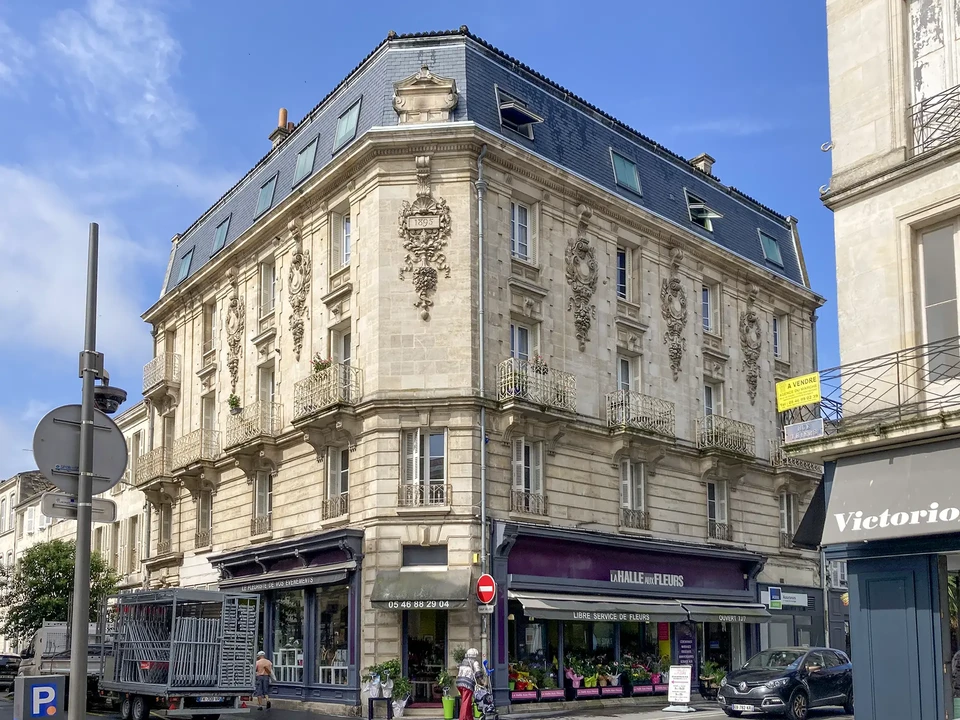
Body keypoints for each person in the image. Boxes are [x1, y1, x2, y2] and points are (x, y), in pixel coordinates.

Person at [456, 648, 483, 720]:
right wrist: (483, 682)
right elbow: (478, 673)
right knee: (466, 702)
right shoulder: (475, 662)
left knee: (466, 701)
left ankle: (469, 718)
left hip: (459, 683)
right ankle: (463, 718)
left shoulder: (463, 661)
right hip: (467, 684)